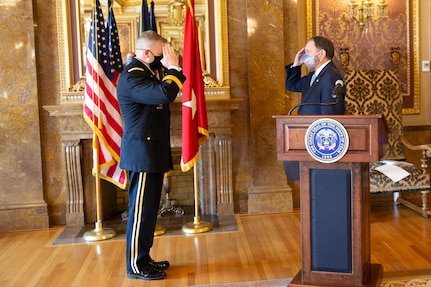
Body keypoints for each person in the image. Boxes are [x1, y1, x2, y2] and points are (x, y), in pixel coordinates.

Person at [117, 30, 186, 281]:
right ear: (146, 54)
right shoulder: (134, 77)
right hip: (142, 155)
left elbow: (168, 87)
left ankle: (144, 258)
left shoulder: (144, 72)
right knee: (140, 212)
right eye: (160, 55)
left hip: (150, 153)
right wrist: (174, 69)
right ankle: (135, 265)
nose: (162, 60)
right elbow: (164, 93)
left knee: (148, 212)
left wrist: (174, 67)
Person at [283, 36, 345, 182]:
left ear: (321, 54)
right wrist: (297, 64)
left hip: (318, 140)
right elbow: (291, 86)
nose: (305, 57)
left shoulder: (330, 76)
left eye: (308, 52)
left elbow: (329, 115)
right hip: (308, 134)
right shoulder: (314, 74)